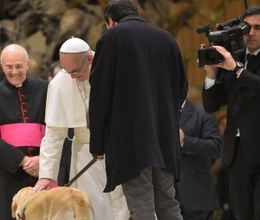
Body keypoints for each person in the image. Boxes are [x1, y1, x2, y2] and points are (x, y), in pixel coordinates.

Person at [88, 0, 188, 219]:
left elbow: (100, 94)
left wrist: (97, 143)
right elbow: (182, 89)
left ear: (110, 21)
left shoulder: (111, 38)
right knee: (169, 204)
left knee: (141, 206)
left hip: (130, 140)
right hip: (165, 139)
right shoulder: (167, 38)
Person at [34, 37, 129, 220]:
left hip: (120, 151)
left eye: (76, 71)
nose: (72, 77)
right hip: (87, 157)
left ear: (90, 59)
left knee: (123, 207)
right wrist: (46, 175)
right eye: (67, 71)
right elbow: (54, 134)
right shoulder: (61, 82)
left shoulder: (114, 70)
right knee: (92, 209)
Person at [201, 5, 260, 220]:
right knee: (241, 215)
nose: (251, 33)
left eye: (258, 27)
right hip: (236, 154)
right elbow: (211, 105)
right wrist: (211, 75)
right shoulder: (233, 59)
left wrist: (237, 69)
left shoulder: (235, 64)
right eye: (247, 27)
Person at [0, 44, 48, 220]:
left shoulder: (45, 90)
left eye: (19, 66)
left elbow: (55, 130)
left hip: (42, 170)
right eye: (9, 67)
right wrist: (24, 161)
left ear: (28, 64)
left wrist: (42, 160)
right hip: (7, 174)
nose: (14, 71)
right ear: (2, 66)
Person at [175, 100, 222, 220]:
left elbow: (216, 147)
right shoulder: (159, 113)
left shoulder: (203, 112)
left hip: (196, 193)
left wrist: (185, 141)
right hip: (164, 194)